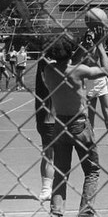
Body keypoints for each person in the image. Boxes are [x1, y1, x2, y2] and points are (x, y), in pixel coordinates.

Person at [42, 30, 108, 217]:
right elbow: (106, 70)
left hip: (59, 125)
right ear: (70, 51)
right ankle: (85, 212)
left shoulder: (47, 70)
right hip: (79, 124)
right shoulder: (78, 71)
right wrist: (100, 45)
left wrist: (80, 47)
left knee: (61, 173)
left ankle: (56, 212)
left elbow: (68, 62)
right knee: (92, 171)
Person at [74, 29, 108, 146]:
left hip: (100, 80)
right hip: (89, 81)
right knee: (91, 112)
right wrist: (84, 45)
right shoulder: (84, 49)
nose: (90, 39)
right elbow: (77, 61)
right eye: (88, 36)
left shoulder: (99, 47)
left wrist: (99, 43)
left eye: (91, 36)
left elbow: (106, 62)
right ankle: (92, 136)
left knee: (106, 110)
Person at [35, 58, 54, 202]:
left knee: (48, 155)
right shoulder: (49, 79)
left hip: (47, 121)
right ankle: (47, 189)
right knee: (50, 156)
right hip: (51, 121)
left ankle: (46, 188)